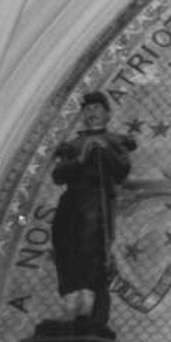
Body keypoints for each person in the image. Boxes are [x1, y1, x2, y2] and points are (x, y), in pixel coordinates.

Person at [51, 91, 136, 328]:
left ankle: (87, 304)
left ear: (107, 114)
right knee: (65, 246)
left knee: (90, 248)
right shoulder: (73, 144)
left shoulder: (116, 140)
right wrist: (81, 157)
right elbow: (58, 175)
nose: (92, 112)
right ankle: (70, 301)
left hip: (96, 202)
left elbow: (121, 171)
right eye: (87, 108)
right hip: (72, 202)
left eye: (97, 108)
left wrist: (103, 149)